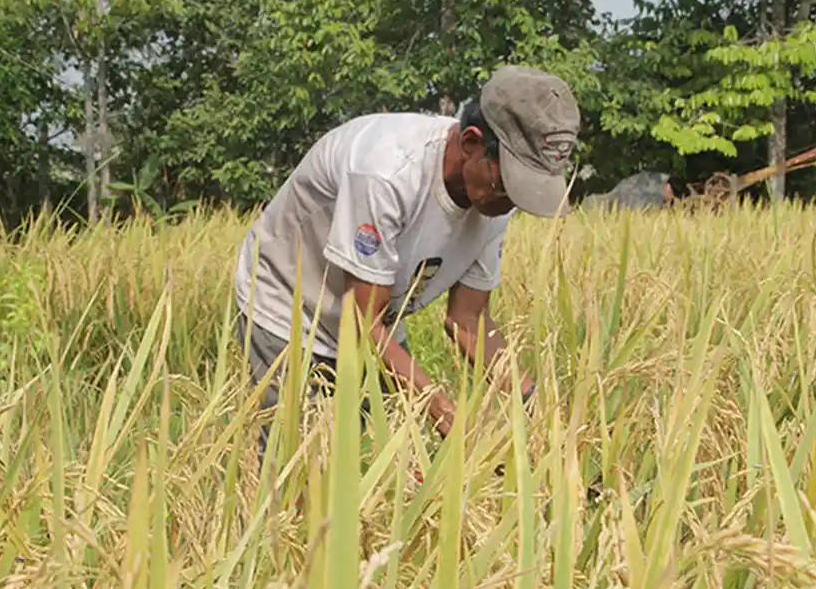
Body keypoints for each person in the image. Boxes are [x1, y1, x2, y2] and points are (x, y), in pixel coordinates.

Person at [232, 65, 581, 450]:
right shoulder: (386, 171)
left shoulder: (496, 200)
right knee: (301, 468)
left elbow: (468, 320)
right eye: (507, 186)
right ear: (470, 144)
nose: (511, 203)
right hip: (290, 307)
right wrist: (441, 408)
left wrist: (532, 405)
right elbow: (361, 321)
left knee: (387, 457)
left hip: (378, 311)